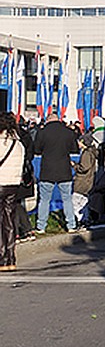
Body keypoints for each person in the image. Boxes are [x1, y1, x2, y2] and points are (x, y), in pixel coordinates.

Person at [33, 109, 80, 233]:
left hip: (47, 170)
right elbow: (74, 149)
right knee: (67, 199)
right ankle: (71, 225)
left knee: (44, 200)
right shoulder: (69, 132)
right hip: (64, 170)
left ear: (48, 120)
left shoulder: (42, 132)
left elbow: (37, 150)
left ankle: (41, 226)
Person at [0, 112, 26, 270]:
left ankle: (1, 257)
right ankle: (11, 258)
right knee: (9, 220)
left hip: (0, 182)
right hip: (13, 184)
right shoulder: (18, 144)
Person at [73, 130, 100, 228]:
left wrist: (74, 165)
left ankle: (79, 221)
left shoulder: (86, 153)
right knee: (84, 202)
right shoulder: (91, 152)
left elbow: (84, 167)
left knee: (76, 202)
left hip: (82, 181)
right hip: (88, 181)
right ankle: (85, 219)